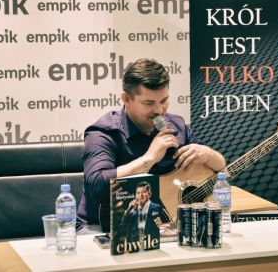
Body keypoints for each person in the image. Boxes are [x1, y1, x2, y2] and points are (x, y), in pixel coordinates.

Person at [77, 58, 226, 232]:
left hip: (162, 225)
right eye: (149, 103)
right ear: (126, 99)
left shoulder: (177, 125)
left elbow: (220, 172)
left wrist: (209, 154)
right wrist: (148, 159)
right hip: (102, 226)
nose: (159, 110)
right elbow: (96, 185)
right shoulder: (103, 132)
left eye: (164, 101)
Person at [118, 181, 162, 250]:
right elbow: (122, 229)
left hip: (152, 247)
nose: (141, 195)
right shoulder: (132, 212)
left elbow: (167, 225)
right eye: (138, 193)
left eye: (144, 192)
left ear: (149, 194)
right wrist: (129, 210)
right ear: (135, 196)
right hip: (135, 249)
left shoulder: (157, 208)